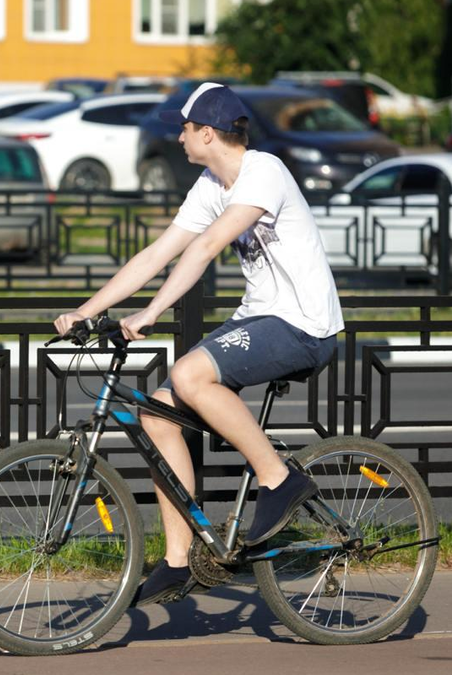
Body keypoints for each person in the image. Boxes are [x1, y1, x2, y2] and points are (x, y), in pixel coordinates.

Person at [53, 82, 344, 606]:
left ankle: (278, 480)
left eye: (185, 128)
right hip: (259, 318)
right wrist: (86, 311)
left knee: (189, 375)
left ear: (207, 132)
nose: (179, 137)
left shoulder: (264, 172)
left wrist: (152, 312)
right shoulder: (211, 183)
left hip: (304, 324)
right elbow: (158, 252)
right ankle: (180, 560)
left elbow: (208, 245)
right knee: (159, 412)